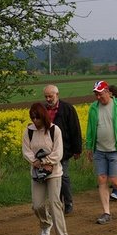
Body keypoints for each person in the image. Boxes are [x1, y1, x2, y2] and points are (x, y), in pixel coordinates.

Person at [85, 80, 117, 224]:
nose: (98, 97)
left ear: (107, 92)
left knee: (115, 181)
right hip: (99, 150)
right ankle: (106, 213)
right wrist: (89, 146)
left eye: (100, 94)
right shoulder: (93, 108)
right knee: (101, 179)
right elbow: (90, 129)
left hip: (116, 150)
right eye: (96, 94)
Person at [22, 103, 69, 235]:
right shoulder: (28, 131)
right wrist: (36, 162)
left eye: (38, 118)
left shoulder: (55, 130)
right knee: (37, 205)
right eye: (33, 118)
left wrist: (48, 162)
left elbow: (58, 152)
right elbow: (26, 150)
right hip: (37, 173)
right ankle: (46, 223)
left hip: (54, 173)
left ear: (43, 117)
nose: (35, 121)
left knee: (55, 203)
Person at [43, 84, 82, 215]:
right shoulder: (42, 110)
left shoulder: (67, 109)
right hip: (47, 151)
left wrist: (77, 149)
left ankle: (68, 202)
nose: (48, 99)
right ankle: (56, 202)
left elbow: (75, 129)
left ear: (57, 95)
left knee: (63, 176)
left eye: (50, 96)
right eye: (46, 97)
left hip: (64, 150)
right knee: (51, 178)